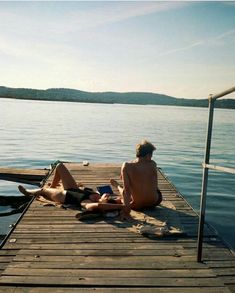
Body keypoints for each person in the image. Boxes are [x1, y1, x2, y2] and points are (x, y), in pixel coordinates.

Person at [18, 163, 123, 214]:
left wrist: (121, 208)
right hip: (73, 188)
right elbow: (124, 198)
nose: (108, 195)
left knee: (43, 190)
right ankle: (53, 187)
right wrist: (117, 188)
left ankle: (28, 192)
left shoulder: (87, 202)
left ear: (105, 202)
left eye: (107, 197)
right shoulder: (99, 196)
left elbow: (98, 206)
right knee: (60, 166)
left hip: (64, 196)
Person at [110, 140, 162, 220]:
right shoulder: (153, 164)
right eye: (151, 154)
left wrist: (126, 210)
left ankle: (117, 186)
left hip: (136, 205)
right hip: (154, 202)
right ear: (148, 155)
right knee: (154, 189)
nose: (152, 157)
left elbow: (127, 191)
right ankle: (119, 185)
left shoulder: (127, 166)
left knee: (127, 188)